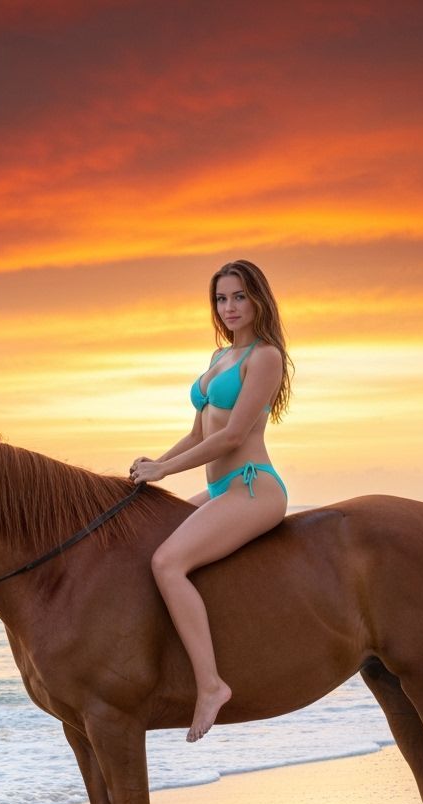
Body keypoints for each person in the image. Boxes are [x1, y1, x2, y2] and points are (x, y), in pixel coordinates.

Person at [130, 260, 292, 742]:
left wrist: (164, 471)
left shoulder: (265, 358)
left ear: (258, 298)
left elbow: (232, 437)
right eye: (221, 299)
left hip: (253, 488)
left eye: (239, 296)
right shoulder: (219, 357)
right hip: (221, 490)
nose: (230, 308)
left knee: (167, 563)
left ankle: (211, 685)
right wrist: (152, 469)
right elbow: (199, 432)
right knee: (150, 535)